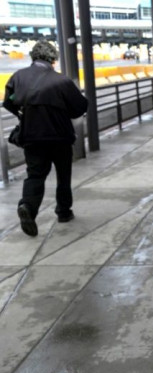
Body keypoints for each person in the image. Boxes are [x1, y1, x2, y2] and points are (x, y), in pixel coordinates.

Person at [3, 40, 87, 237]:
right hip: (60, 137)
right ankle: (64, 212)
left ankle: (28, 207)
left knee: (35, 174)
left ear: (33, 57)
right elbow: (80, 107)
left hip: (32, 136)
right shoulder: (61, 81)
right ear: (53, 59)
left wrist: (23, 113)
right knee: (63, 175)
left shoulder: (18, 77)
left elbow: (8, 102)